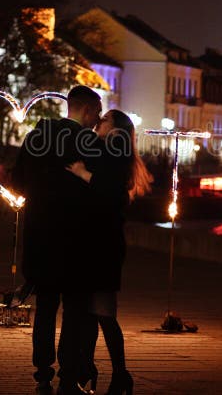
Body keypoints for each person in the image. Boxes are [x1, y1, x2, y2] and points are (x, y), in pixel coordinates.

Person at [12, 85, 103, 395]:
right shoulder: (88, 142)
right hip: (77, 239)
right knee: (75, 309)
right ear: (88, 111)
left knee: (46, 305)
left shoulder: (37, 137)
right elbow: (100, 189)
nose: (98, 119)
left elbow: (16, 180)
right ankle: (68, 373)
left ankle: (42, 371)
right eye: (97, 113)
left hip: (40, 234)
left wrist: (39, 199)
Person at [66, 110, 153, 395]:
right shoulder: (109, 151)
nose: (98, 122)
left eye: (104, 120)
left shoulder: (115, 154)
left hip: (103, 246)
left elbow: (113, 194)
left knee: (103, 312)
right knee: (93, 313)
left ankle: (119, 374)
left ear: (115, 129)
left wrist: (82, 173)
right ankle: (89, 369)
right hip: (96, 243)